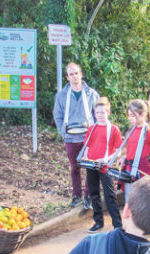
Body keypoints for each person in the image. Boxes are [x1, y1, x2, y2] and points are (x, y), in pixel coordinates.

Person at [53, 62, 100, 209]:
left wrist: (97, 133)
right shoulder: (62, 95)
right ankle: (76, 196)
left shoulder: (92, 94)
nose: (74, 76)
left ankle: (88, 196)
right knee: (75, 168)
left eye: (76, 73)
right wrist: (63, 132)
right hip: (71, 137)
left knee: (91, 167)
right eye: (71, 74)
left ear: (81, 74)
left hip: (89, 137)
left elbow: (98, 114)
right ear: (67, 77)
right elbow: (58, 115)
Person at [81, 97, 123, 233]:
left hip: (105, 166)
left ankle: (117, 224)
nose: (100, 115)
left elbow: (118, 150)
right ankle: (98, 222)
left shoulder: (114, 129)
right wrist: (85, 156)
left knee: (110, 195)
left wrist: (107, 159)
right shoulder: (92, 128)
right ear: (94, 113)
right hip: (91, 165)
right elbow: (87, 146)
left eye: (102, 112)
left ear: (108, 112)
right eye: (97, 112)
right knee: (94, 193)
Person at [115, 100, 150, 196]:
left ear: (143, 114)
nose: (130, 118)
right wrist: (124, 157)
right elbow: (132, 149)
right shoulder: (132, 129)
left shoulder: (148, 131)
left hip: (141, 170)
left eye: (133, 115)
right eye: (129, 115)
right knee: (129, 199)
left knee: (142, 201)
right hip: (129, 168)